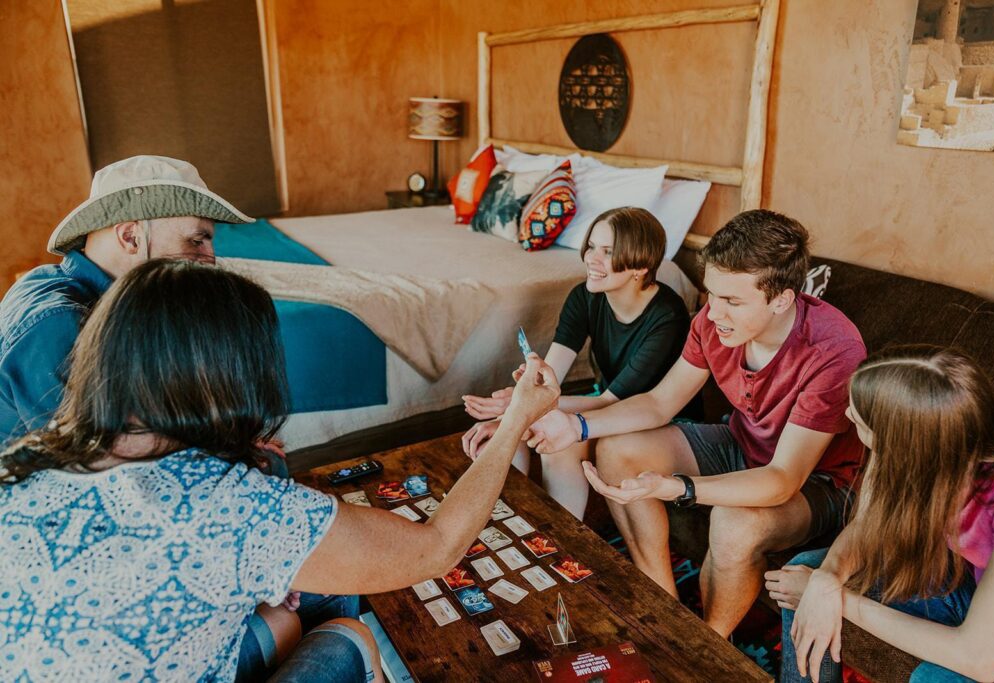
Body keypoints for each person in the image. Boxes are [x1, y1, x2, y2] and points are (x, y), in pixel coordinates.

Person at [0, 259, 560, 682]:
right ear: (230, 375)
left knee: (295, 610)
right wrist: (516, 420)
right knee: (349, 635)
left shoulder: (21, 465)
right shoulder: (232, 504)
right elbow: (436, 547)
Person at [532, 210, 866, 638]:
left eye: (733, 302)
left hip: (817, 483)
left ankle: (707, 645)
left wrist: (678, 488)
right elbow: (659, 403)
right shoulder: (711, 321)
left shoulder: (833, 349)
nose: (714, 313)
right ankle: (665, 609)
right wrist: (574, 426)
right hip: (741, 443)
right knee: (617, 448)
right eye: (712, 294)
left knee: (733, 522)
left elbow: (782, 478)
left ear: (782, 300)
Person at [767, 346, 994, 682]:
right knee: (809, 572)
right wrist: (825, 578)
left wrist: (836, 598)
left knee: (932, 679)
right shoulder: (925, 447)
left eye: (859, 417)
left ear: (900, 439)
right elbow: (868, 525)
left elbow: (980, 660)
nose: (847, 414)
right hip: (978, 585)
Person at [461, 207, 696, 520]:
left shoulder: (667, 317)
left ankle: (563, 537)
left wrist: (519, 409)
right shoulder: (584, 296)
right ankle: (507, 527)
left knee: (556, 440)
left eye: (608, 252)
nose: (591, 259)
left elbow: (611, 402)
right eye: (591, 247)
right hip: (605, 402)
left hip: (658, 419)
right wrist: (511, 415)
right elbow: (549, 383)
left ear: (641, 265)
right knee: (511, 434)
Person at [0, 154, 254, 442]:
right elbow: (96, 452)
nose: (210, 259)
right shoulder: (58, 323)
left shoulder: (115, 303)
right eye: (195, 241)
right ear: (131, 237)